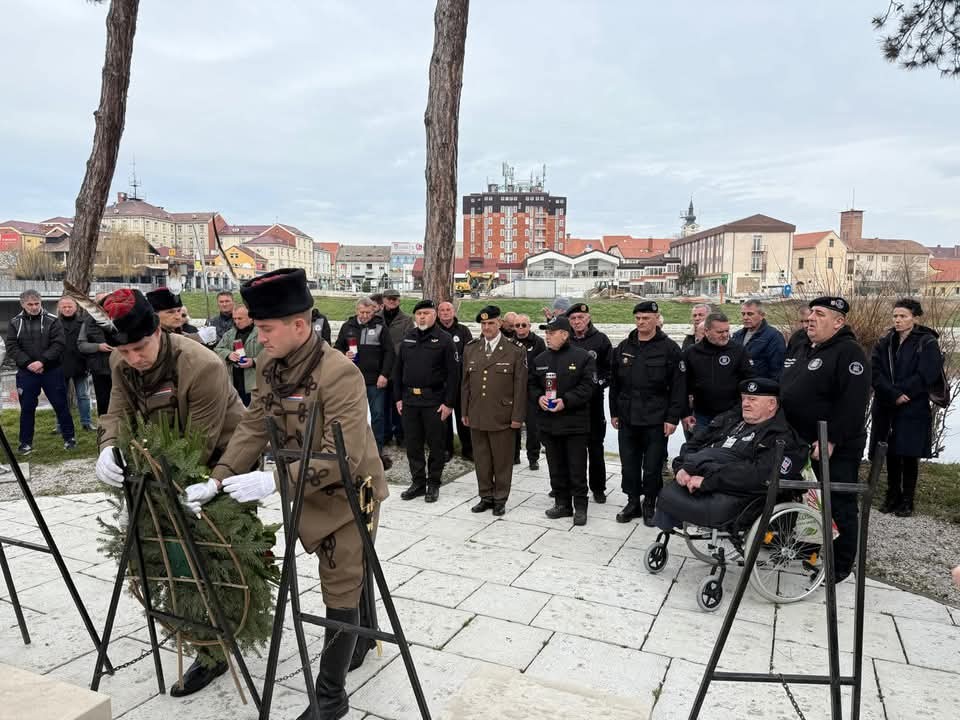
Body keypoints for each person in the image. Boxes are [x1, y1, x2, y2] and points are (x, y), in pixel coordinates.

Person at [189, 268, 387, 720]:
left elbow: (348, 458)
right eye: (257, 328)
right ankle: (363, 632)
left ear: (300, 325)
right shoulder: (270, 365)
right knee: (352, 577)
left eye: (266, 328)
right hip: (304, 487)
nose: (259, 337)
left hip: (348, 494)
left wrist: (274, 481)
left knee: (339, 580)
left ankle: (331, 696)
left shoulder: (341, 375)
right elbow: (255, 425)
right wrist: (219, 477)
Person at [93, 287, 248, 696]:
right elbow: (118, 412)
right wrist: (108, 445)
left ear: (157, 331)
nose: (134, 359)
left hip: (220, 463)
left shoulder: (202, 365)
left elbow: (196, 444)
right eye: (124, 352)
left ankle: (219, 645)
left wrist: (156, 481)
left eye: (140, 348)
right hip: (162, 463)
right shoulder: (121, 361)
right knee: (174, 560)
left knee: (215, 557)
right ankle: (205, 641)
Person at [780, 296, 870, 583]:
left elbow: (853, 403)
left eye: (819, 314)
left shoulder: (849, 353)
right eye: (811, 313)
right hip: (802, 440)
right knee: (809, 498)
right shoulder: (806, 347)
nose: (811, 318)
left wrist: (831, 438)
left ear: (838, 321)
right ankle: (810, 549)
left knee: (837, 501)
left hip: (835, 446)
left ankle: (840, 564)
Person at [655, 378, 808, 531]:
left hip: (733, 492)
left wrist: (706, 481)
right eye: (744, 399)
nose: (746, 404)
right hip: (702, 479)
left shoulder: (781, 436)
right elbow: (693, 444)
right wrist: (681, 468)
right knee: (668, 494)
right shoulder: (731, 419)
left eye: (753, 399)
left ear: (771, 404)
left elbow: (757, 475)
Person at [610, 301, 686, 526]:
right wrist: (614, 412)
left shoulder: (670, 348)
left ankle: (650, 503)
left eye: (646, 318)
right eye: (638, 318)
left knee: (652, 465)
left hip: (655, 417)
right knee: (629, 463)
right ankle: (632, 502)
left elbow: (679, 387)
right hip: (628, 417)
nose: (641, 322)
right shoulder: (624, 347)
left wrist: (672, 418)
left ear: (656, 319)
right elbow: (615, 384)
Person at [870, 298, 942, 517]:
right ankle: (892, 495)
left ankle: (907, 500)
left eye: (903, 316)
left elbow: (927, 374)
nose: (898, 320)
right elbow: (875, 370)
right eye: (895, 316)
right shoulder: (886, 340)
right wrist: (892, 394)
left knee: (909, 453)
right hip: (887, 403)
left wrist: (904, 393)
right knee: (890, 450)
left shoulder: (927, 341)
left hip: (913, 406)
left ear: (914, 317)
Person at [528, 315, 596, 526]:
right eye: (546, 333)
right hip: (549, 424)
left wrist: (565, 401)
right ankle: (562, 504)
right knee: (555, 467)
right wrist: (538, 397)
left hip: (574, 423)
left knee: (576, 468)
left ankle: (581, 507)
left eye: (551, 332)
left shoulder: (583, 357)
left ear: (564, 334)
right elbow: (531, 385)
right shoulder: (540, 360)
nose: (547, 336)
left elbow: (587, 388)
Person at [461, 306, 527, 516]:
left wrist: (517, 417)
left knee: (502, 460)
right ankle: (485, 496)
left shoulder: (515, 350)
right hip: (477, 413)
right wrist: (464, 411)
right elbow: (465, 385)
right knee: (481, 459)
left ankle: (500, 498)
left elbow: (520, 387)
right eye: (483, 324)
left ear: (499, 323)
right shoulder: (471, 348)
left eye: (491, 323)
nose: (487, 327)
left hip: (502, 415)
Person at [393, 299, 458, 502]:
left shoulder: (445, 340)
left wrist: (449, 403)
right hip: (410, 400)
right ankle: (418, 482)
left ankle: (434, 483)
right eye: (419, 313)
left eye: (426, 313)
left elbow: (454, 374)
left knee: (436, 445)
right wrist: (398, 398)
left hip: (434, 400)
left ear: (435, 315)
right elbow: (398, 370)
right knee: (413, 444)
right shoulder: (408, 338)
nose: (422, 317)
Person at [5, 289, 76, 453]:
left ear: (41, 302)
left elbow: (59, 343)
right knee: (27, 408)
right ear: (22, 304)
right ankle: (25, 442)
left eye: (37, 303)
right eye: (30, 304)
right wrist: (29, 363)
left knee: (61, 405)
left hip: (51, 370)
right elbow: (11, 347)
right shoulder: (15, 322)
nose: (34, 307)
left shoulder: (52, 320)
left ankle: (69, 438)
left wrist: (42, 361)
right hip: (27, 373)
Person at [334, 297, 395, 466]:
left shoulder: (381, 327)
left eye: (368, 312)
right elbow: (337, 348)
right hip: (352, 380)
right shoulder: (348, 327)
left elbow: (390, 353)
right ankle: (353, 448)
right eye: (362, 312)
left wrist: (384, 375)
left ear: (373, 311)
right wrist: (343, 354)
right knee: (353, 415)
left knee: (377, 415)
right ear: (356, 311)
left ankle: (376, 449)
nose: (365, 315)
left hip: (375, 380)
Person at [566, 303, 613, 503]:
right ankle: (570, 485)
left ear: (588, 318)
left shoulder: (600, 340)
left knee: (595, 447)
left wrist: (598, 385)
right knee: (570, 448)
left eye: (580, 317)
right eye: (573, 318)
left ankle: (598, 487)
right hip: (570, 403)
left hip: (593, 402)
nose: (577, 322)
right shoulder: (565, 338)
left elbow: (610, 369)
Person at [682, 312, 753, 432]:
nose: (725, 335)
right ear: (706, 331)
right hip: (701, 416)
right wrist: (685, 413)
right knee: (698, 449)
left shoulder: (738, 351)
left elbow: (749, 381)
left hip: (732, 416)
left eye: (727, 331)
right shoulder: (691, 353)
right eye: (720, 332)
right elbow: (682, 385)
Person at [437, 300, 474, 461]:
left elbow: (471, 355)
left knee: (463, 416)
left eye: (448, 309)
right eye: (442, 310)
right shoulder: (434, 331)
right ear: (438, 313)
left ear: (454, 312)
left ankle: (468, 448)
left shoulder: (463, 331)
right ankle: (446, 449)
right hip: (440, 383)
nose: (445, 312)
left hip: (460, 382)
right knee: (443, 418)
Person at [380, 288, 413, 446]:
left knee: (399, 403)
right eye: (389, 299)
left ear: (399, 301)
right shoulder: (377, 318)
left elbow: (410, 342)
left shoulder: (406, 320)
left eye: (395, 299)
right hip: (381, 368)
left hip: (399, 367)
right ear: (384, 300)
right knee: (382, 404)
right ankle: (385, 434)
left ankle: (401, 435)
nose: (392, 301)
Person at [513, 314, 546, 469]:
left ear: (529, 326)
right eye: (517, 325)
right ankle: (514, 455)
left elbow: (543, 366)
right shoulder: (508, 342)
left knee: (533, 426)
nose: (520, 328)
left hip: (532, 390)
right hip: (513, 390)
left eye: (523, 325)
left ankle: (533, 457)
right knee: (513, 424)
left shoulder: (538, 342)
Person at [56, 296, 94, 431]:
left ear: (76, 307)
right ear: (60, 308)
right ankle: (61, 425)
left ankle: (86, 423)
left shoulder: (84, 322)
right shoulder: (54, 323)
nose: (67, 309)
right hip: (60, 366)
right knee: (61, 397)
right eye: (64, 307)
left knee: (83, 396)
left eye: (69, 306)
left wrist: (88, 363)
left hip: (81, 364)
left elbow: (89, 342)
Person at [213, 304, 262, 406]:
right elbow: (217, 349)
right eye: (234, 318)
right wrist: (228, 355)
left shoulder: (261, 333)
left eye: (240, 318)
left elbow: (271, 355)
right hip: (234, 383)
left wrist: (253, 362)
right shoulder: (230, 334)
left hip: (254, 384)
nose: (236, 321)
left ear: (251, 318)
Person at [78, 292, 114, 416]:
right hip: (99, 369)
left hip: (119, 367)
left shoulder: (121, 317)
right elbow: (81, 345)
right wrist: (98, 347)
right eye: (100, 301)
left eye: (106, 300)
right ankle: (105, 429)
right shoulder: (88, 322)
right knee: (103, 401)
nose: (103, 303)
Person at [731, 299, 785, 380]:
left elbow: (777, 370)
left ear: (762, 315)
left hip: (759, 387)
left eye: (750, 314)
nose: (745, 317)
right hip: (737, 385)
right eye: (743, 314)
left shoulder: (774, 337)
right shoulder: (737, 335)